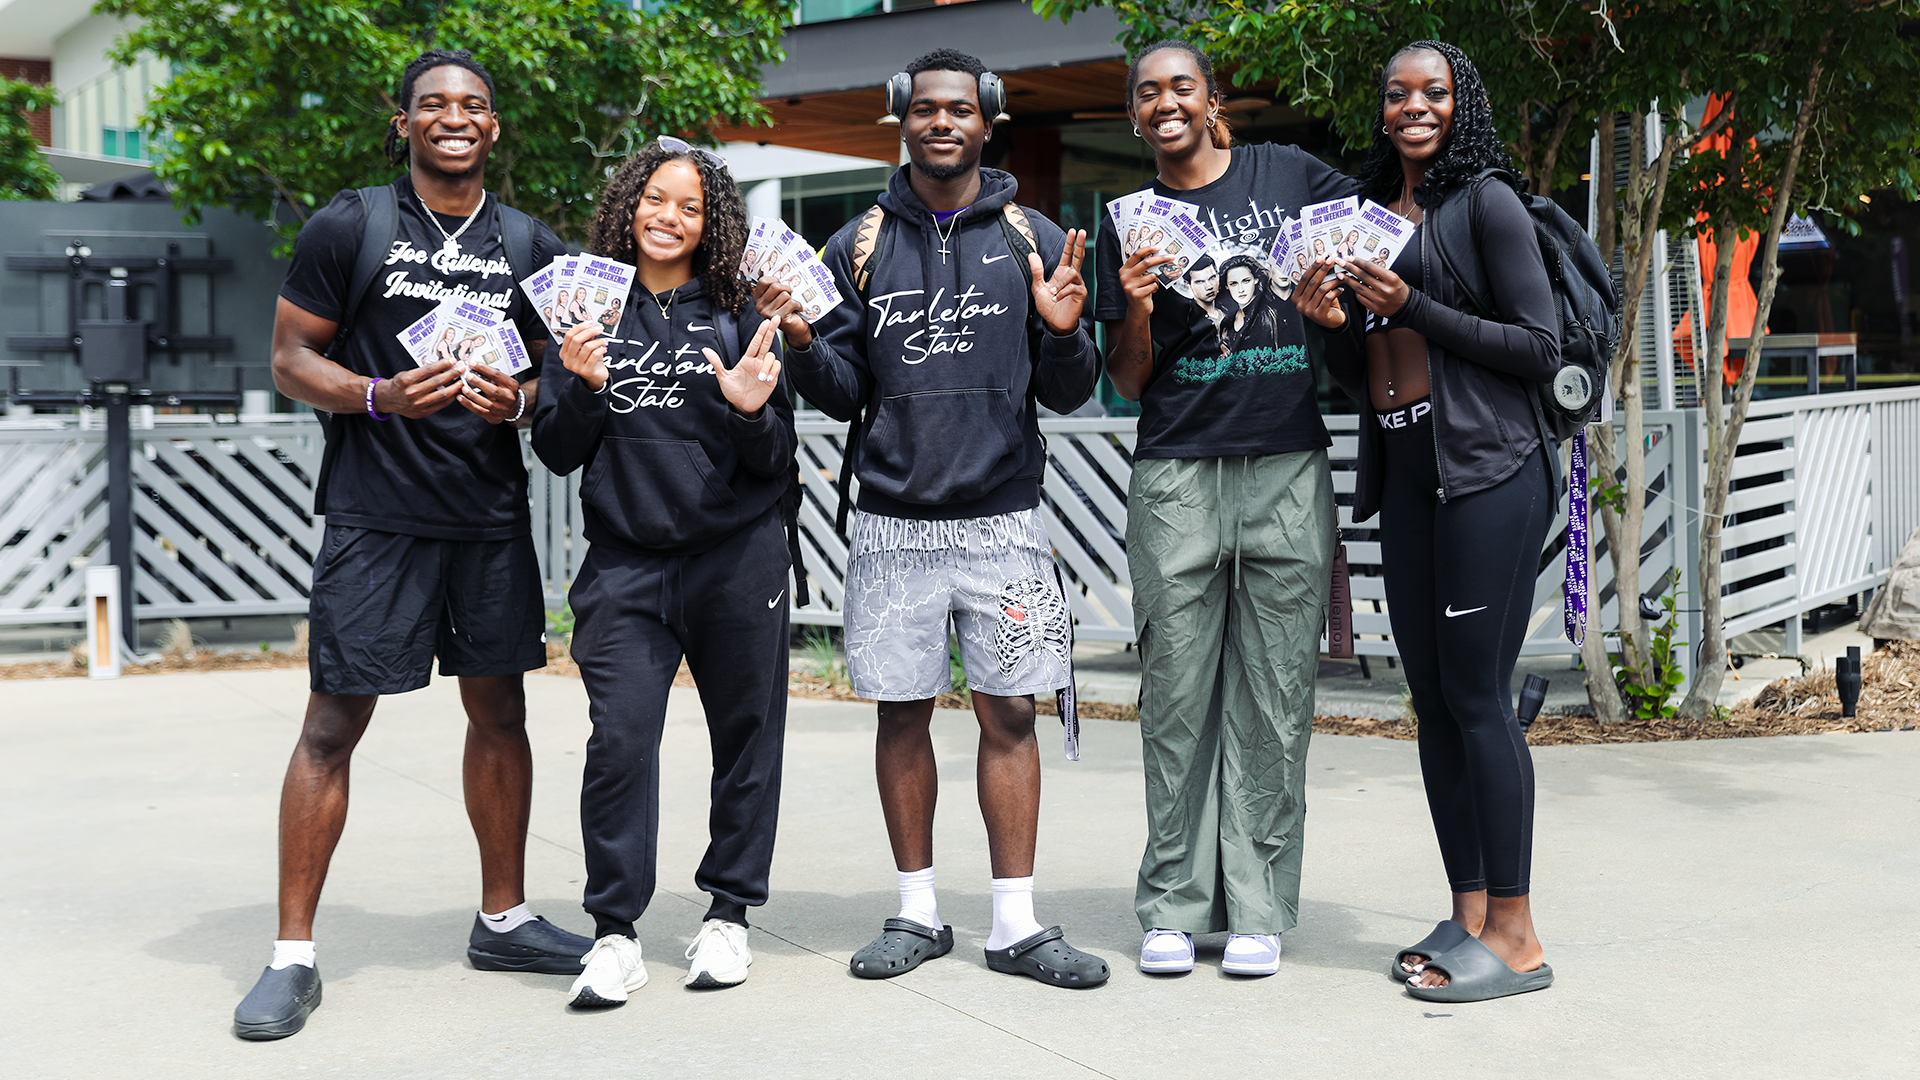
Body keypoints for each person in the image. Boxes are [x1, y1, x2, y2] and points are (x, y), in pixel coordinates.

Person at [240, 49, 587, 1041]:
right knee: (330, 727)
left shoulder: (531, 242)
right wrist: (378, 394)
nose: (453, 116)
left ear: (494, 126)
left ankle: (505, 918)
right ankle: (292, 957)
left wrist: (516, 401)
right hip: (375, 517)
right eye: (433, 103)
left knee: (502, 713)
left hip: (485, 519)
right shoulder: (352, 223)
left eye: (472, 104)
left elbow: (565, 381)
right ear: (403, 122)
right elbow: (289, 357)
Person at [757, 48, 1108, 989]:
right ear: (901, 120)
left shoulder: (1033, 234)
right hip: (893, 526)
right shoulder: (854, 244)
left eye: (960, 108)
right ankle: (916, 913)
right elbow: (840, 391)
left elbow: (1072, 394)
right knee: (902, 718)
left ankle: (1015, 925)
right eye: (925, 110)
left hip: (1006, 525)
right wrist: (798, 338)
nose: (941, 122)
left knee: (1011, 718)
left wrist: (1067, 329)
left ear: (988, 118)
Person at [1293, 39, 1558, 1003]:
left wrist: (1416, 302)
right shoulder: (1367, 218)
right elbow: (1370, 362)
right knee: (1435, 703)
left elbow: (1537, 344)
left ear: (1462, 101)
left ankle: (1519, 937)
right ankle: (1471, 909)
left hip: (1489, 469)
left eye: (1434, 91)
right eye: (1397, 92)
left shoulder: (1483, 201)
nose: (1414, 105)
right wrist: (1337, 325)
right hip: (1406, 471)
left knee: (1481, 700)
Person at [1094, 38, 1353, 979]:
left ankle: (1259, 906)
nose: (1166, 103)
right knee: (1174, 697)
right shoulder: (1131, 222)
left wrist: (1336, 301)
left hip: (1285, 464)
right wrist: (1129, 307)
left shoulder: (1288, 174)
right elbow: (1127, 382)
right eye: (1148, 93)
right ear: (1134, 115)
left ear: (1212, 101)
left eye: (1182, 88)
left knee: (1276, 695)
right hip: (1175, 474)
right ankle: (1171, 904)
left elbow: (1375, 227)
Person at [532, 139, 797, 1009]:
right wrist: (573, 385)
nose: (667, 217)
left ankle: (728, 915)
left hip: (736, 558)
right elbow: (560, 452)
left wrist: (754, 413)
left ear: (710, 222)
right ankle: (614, 933)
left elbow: (775, 455)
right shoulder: (587, 310)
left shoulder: (735, 315)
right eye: (654, 199)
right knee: (618, 744)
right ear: (628, 205)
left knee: (746, 739)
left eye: (688, 206)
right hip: (626, 569)